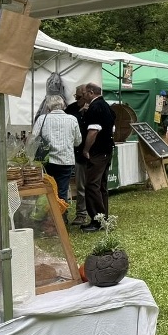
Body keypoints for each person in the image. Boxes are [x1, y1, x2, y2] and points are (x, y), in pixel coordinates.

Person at [32, 95, 82, 207]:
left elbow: (34, 139)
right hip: (65, 160)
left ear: (48, 107)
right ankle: (62, 218)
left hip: (47, 160)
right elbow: (78, 141)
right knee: (62, 191)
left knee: (46, 190)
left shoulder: (42, 119)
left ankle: (47, 218)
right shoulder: (72, 119)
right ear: (63, 105)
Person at [79, 83, 116, 232]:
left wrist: (86, 149)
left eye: (83, 94)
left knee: (92, 185)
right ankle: (103, 217)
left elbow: (93, 131)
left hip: (98, 152)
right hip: (107, 149)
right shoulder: (106, 106)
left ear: (91, 92)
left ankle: (97, 220)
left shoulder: (95, 107)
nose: (82, 97)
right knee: (101, 186)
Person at [64, 84, 90, 225]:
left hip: (92, 152)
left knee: (93, 186)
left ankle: (95, 213)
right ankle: (81, 214)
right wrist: (80, 114)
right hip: (77, 151)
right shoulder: (72, 109)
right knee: (80, 186)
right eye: (77, 96)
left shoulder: (95, 107)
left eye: (80, 96)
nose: (78, 99)